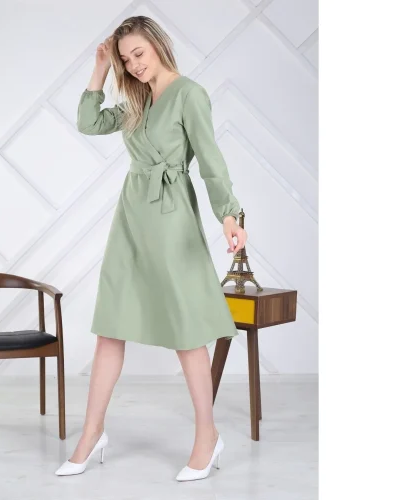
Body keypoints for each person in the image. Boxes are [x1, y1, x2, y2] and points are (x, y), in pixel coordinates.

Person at [55, 15, 247, 482]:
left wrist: (229, 214)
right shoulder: (136, 100)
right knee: (110, 326)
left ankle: (207, 436)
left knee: (186, 331)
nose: (134, 65)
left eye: (138, 53)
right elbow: (87, 122)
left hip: (171, 219)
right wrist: (101, 68)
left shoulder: (189, 94)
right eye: (126, 59)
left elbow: (210, 160)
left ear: (159, 44)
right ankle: (92, 433)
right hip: (132, 220)